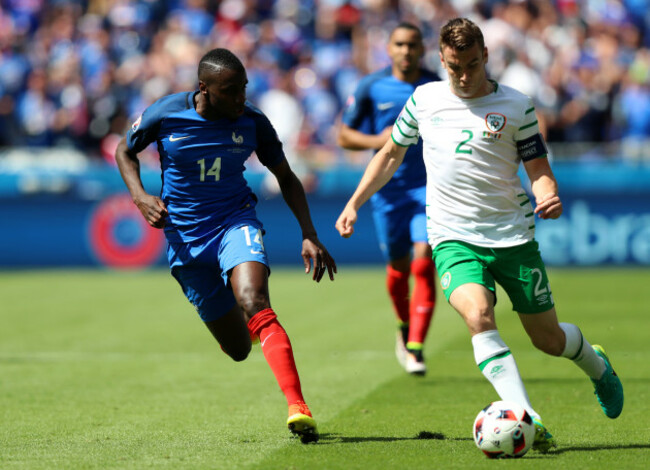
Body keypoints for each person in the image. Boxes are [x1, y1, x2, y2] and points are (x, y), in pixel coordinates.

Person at [335, 17, 623, 452]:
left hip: (512, 236)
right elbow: (391, 153)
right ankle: (530, 420)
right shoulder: (424, 99)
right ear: (442, 60)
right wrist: (354, 202)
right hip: (452, 236)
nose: (464, 76)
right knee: (478, 316)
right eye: (454, 67)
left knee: (548, 340)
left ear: (486, 56)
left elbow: (538, 169)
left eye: (471, 65)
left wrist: (549, 194)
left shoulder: (517, 106)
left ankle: (596, 364)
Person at [115, 48, 337, 444]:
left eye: (244, 88)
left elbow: (286, 176)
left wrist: (309, 232)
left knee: (255, 299)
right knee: (238, 349)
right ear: (204, 89)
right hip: (185, 240)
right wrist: (140, 196)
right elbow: (125, 150)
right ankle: (242, 320)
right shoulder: (165, 114)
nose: (241, 98)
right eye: (231, 91)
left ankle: (298, 406)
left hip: (236, 222)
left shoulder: (252, 122)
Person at [337, 22, 439, 375]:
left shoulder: (437, 86)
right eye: (399, 44)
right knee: (398, 268)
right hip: (387, 191)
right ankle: (403, 326)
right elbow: (344, 136)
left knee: (424, 261)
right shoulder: (372, 86)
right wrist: (378, 140)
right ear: (389, 48)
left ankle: (416, 347)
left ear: (422, 48)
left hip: (428, 188)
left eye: (412, 44)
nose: (406, 51)